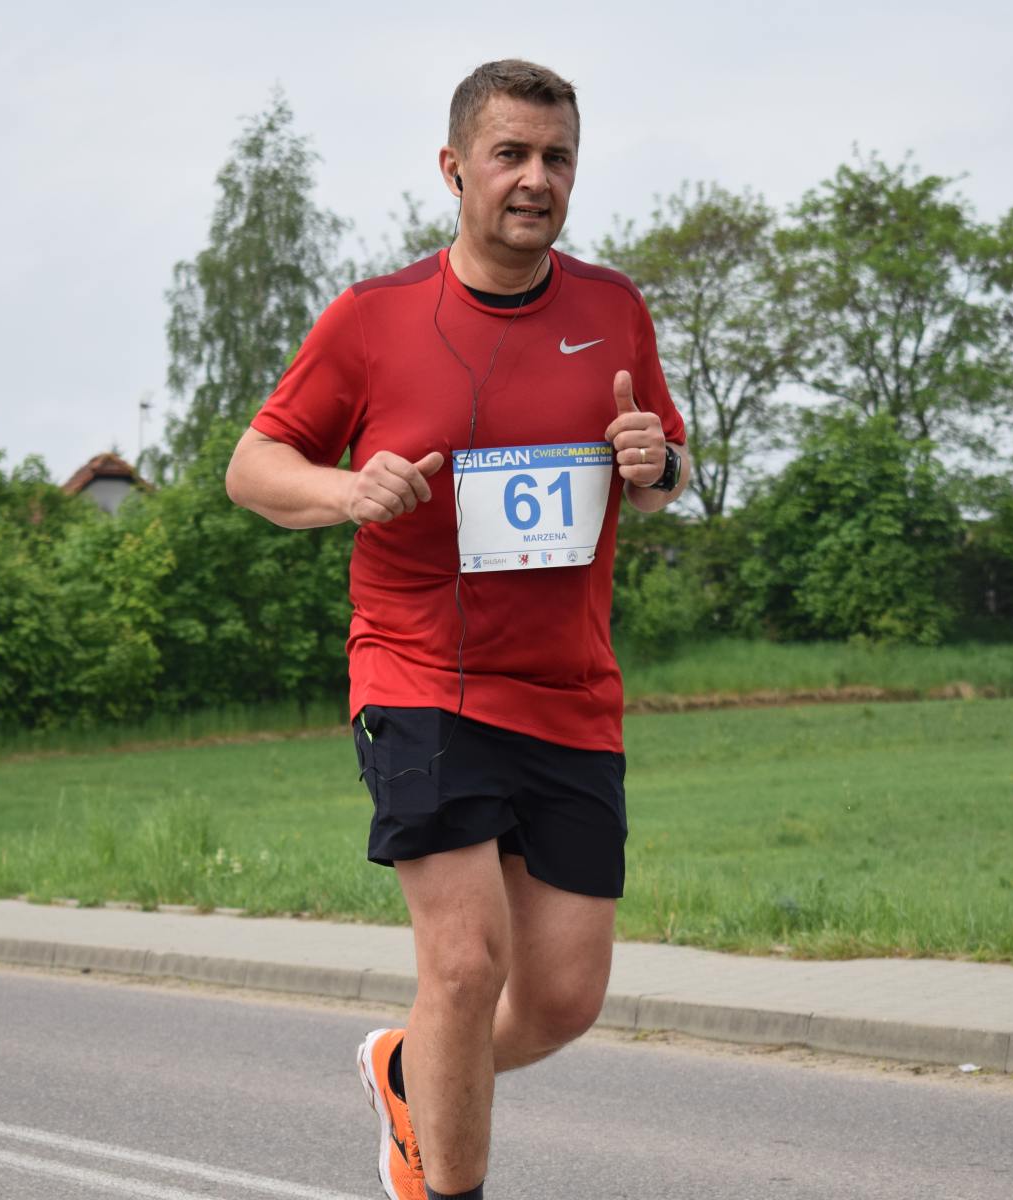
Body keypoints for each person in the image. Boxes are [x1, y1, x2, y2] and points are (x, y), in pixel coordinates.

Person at [226, 58, 689, 1200]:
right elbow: (254, 466)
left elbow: (665, 469)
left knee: (565, 999)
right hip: (419, 673)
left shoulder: (613, 309)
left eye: (557, 158)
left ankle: (406, 1070)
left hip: (568, 692)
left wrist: (661, 464)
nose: (536, 178)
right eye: (510, 154)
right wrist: (348, 490)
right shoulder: (375, 318)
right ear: (454, 168)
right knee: (467, 963)